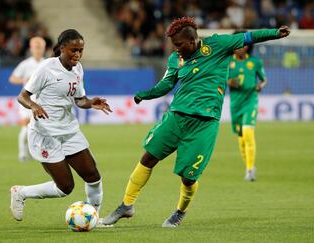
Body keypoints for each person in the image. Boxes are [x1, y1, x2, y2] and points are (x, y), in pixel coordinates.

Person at [102, 17, 290, 227]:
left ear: (192, 40)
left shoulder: (218, 45)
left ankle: (180, 211)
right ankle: (126, 205)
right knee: (148, 158)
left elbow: (248, 36)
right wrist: (145, 94)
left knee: (188, 177)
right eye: (174, 45)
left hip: (205, 122)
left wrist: (275, 33)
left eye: (179, 45)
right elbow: (166, 84)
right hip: (176, 117)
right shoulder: (176, 59)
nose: (176, 49)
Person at [10, 29, 112, 224]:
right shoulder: (46, 68)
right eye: (74, 50)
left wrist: (90, 102)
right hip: (45, 134)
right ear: (62, 48)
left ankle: (94, 219)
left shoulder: (78, 68)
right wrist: (34, 106)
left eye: (81, 50)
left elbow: (79, 100)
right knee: (65, 187)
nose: (77, 54)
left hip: (69, 130)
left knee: (93, 175)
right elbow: (22, 96)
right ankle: (20, 192)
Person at [227, 30, 267, 181]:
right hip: (235, 104)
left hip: (251, 100)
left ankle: (250, 170)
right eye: (238, 45)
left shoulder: (255, 62)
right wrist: (228, 82)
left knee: (248, 133)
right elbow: (220, 78)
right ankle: (248, 166)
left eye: (244, 45)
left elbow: (264, 79)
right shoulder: (227, 62)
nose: (241, 48)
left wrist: (260, 86)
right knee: (241, 138)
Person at [9, 37, 46, 162]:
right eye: (36, 47)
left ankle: (36, 153)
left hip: (42, 102)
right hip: (26, 101)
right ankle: (22, 153)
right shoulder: (25, 64)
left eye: (40, 47)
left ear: (44, 48)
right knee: (25, 127)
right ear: (31, 48)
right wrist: (23, 80)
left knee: (41, 129)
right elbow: (12, 78)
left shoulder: (47, 63)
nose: (38, 50)